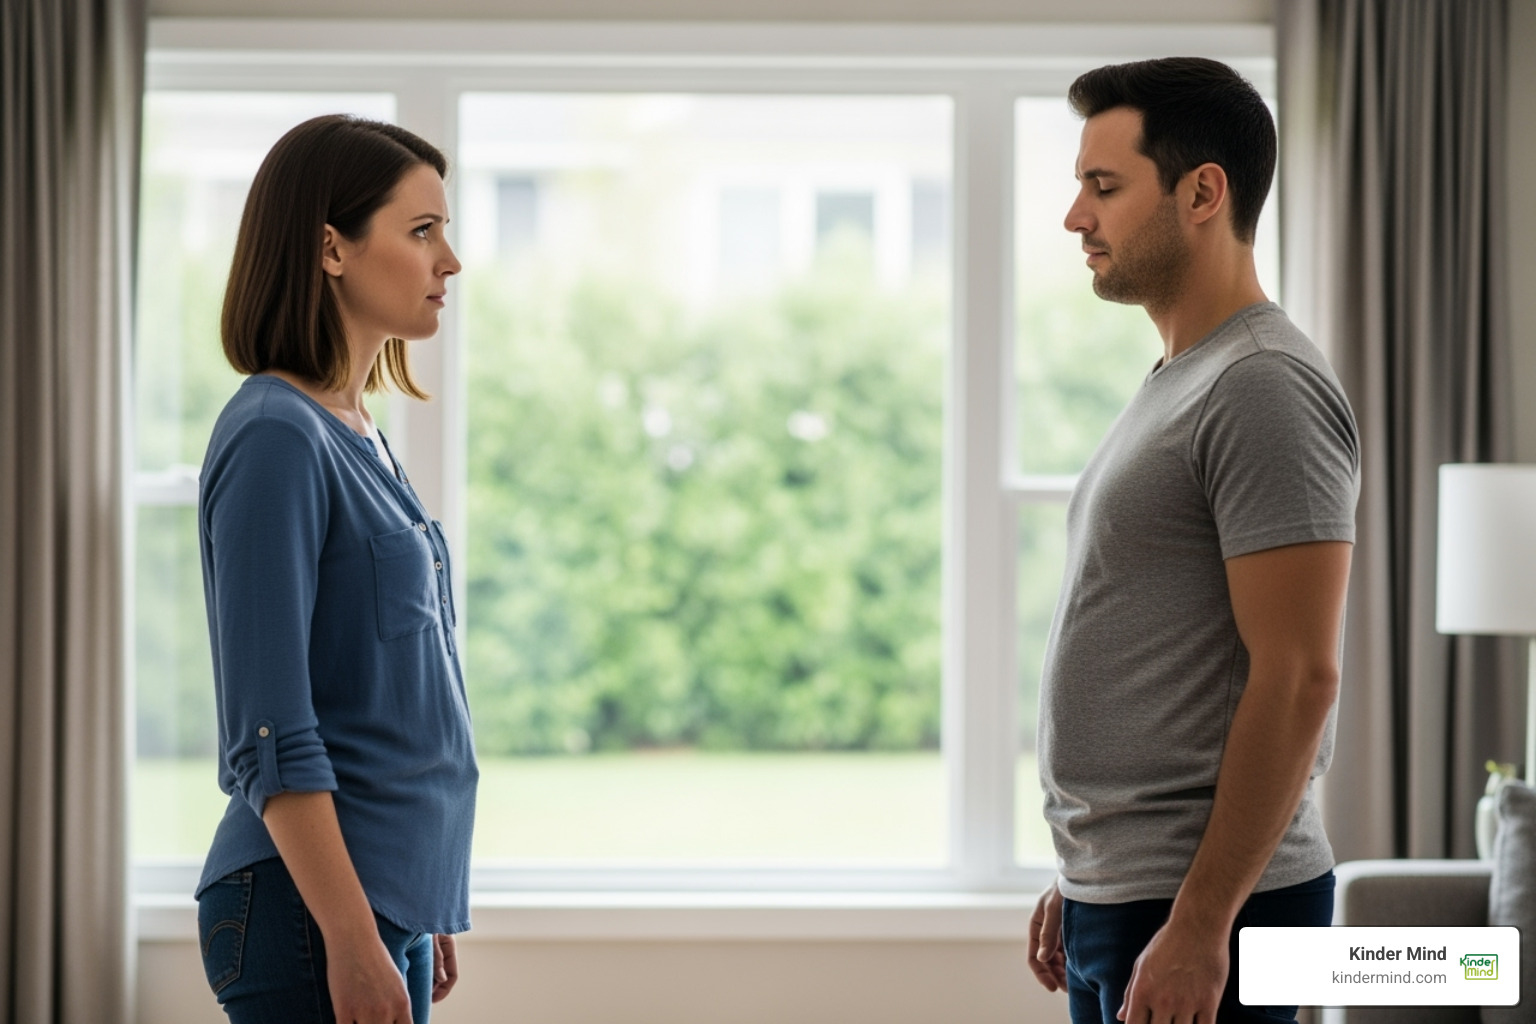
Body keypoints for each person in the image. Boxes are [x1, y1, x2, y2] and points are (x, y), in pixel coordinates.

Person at [1025, 58, 1359, 1024]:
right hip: (1131, 899)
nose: (1074, 217)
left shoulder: (1262, 385)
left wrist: (1202, 921)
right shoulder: (1184, 377)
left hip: (1212, 916)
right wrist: (1092, 872)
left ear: (1202, 191)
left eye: (1104, 186)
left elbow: (1299, 675)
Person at [194, 114, 474, 1024]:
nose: (450, 261)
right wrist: (353, 939)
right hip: (306, 915)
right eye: (422, 230)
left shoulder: (357, 432)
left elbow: (388, 694)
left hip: (379, 902)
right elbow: (270, 732)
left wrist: (417, 906)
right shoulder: (276, 435)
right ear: (331, 248)